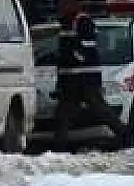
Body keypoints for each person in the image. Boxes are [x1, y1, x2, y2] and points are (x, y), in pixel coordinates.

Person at [54, 9, 126, 151]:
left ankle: (127, 136)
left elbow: (86, 48)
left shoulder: (81, 20)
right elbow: (64, 52)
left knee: (99, 110)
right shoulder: (66, 23)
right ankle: (59, 148)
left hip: (84, 78)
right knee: (64, 115)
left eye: (63, 1)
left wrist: (74, 58)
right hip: (72, 79)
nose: (61, 4)